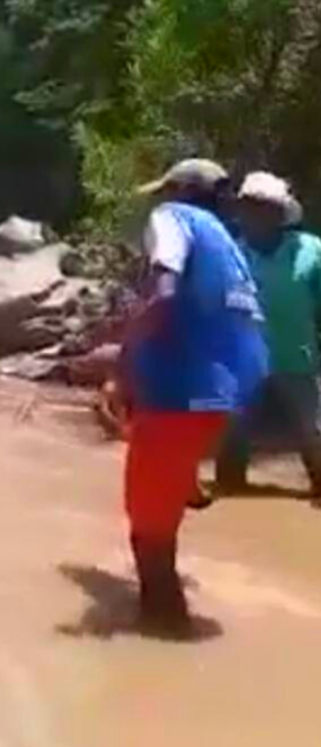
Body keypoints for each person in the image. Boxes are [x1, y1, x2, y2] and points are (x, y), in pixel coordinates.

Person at [120, 159, 268, 636]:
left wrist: (122, 355)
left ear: (180, 191)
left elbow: (164, 296)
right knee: (163, 504)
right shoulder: (229, 244)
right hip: (224, 397)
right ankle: (184, 485)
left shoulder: (173, 220)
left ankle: (161, 639)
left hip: (178, 394)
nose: (158, 201)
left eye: (165, 191)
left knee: (148, 531)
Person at [214, 172, 321, 498]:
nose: (252, 214)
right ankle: (230, 493)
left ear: (279, 213)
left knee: (314, 433)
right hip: (243, 360)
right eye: (247, 207)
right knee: (231, 435)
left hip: (296, 355)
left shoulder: (311, 252)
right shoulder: (230, 253)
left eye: (261, 207)